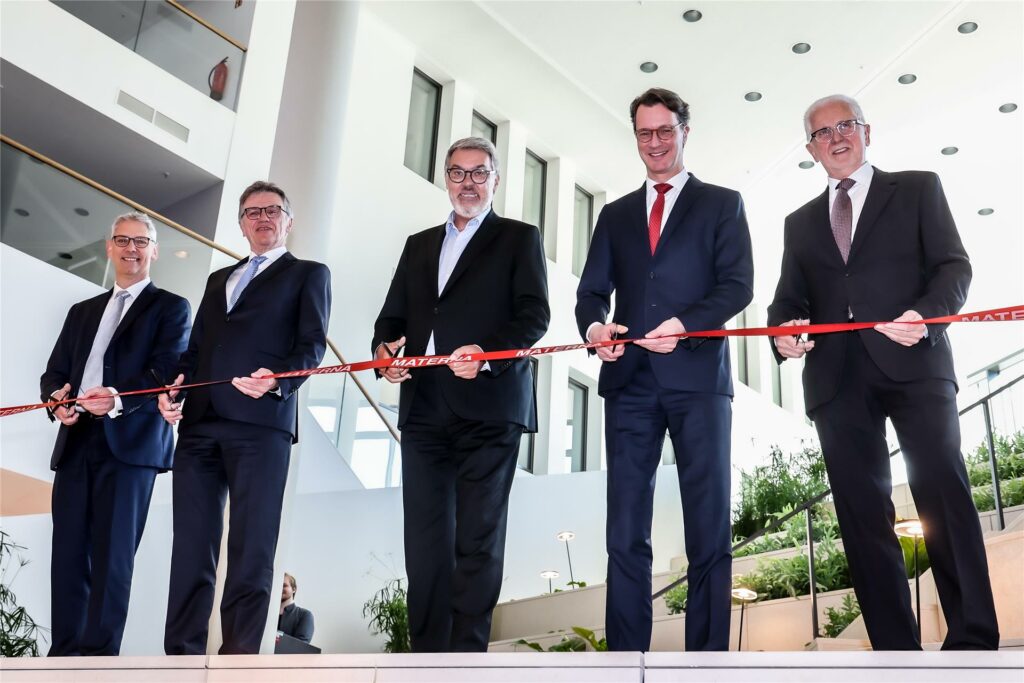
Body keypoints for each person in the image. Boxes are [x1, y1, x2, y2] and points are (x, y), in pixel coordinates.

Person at [767, 94, 999, 650]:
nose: (836, 137)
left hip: (915, 360)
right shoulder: (798, 223)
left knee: (942, 492)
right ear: (810, 149)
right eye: (822, 133)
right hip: (836, 379)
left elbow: (953, 265)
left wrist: (926, 317)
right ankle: (896, 649)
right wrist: (782, 335)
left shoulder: (918, 187)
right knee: (860, 513)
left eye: (845, 125)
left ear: (866, 131)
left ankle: (972, 638)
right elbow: (786, 299)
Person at [575, 88, 753, 652]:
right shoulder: (616, 213)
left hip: (699, 379)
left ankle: (707, 660)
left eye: (664, 131)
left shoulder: (723, 203)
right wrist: (595, 330)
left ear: (684, 131)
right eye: (644, 133)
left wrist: (685, 324)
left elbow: (738, 285)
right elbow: (591, 293)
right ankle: (628, 660)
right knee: (625, 530)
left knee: (707, 525)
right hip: (628, 382)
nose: (654, 143)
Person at [372, 137, 550, 652]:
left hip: (490, 406)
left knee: (476, 537)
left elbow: (534, 315)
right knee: (424, 543)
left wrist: (487, 353)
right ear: (444, 179)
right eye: (457, 173)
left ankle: (465, 658)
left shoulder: (520, 237)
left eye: (478, 173)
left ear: (496, 180)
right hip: (423, 407)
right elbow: (392, 318)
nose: (467, 183)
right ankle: (426, 658)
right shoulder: (418, 244)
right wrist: (384, 352)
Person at [159, 181, 332, 655]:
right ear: (241, 223)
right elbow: (194, 351)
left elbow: (312, 345)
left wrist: (278, 381)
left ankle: (236, 662)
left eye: (273, 210)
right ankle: (182, 658)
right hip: (199, 423)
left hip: (262, 423)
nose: (262, 218)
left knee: (252, 550)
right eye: (252, 211)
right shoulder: (219, 279)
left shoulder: (309, 274)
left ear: (288, 221)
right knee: (191, 548)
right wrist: (175, 385)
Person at [40, 212, 191, 656]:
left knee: (112, 558)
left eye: (141, 241)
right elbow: (54, 371)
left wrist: (118, 396)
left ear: (154, 250)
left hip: (131, 445)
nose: (131, 248)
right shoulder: (81, 311)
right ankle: (64, 654)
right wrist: (56, 398)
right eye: (123, 240)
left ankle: (97, 658)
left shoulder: (171, 307)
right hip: (76, 441)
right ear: (109, 247)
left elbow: (166, 369)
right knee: (67, 555)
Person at [277, 573, 314, 643]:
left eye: (284, 585)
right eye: (277, 585)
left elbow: (300, 646)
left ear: (294, 589)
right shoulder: (265, 613)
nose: (280, 588)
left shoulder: (305, 615)